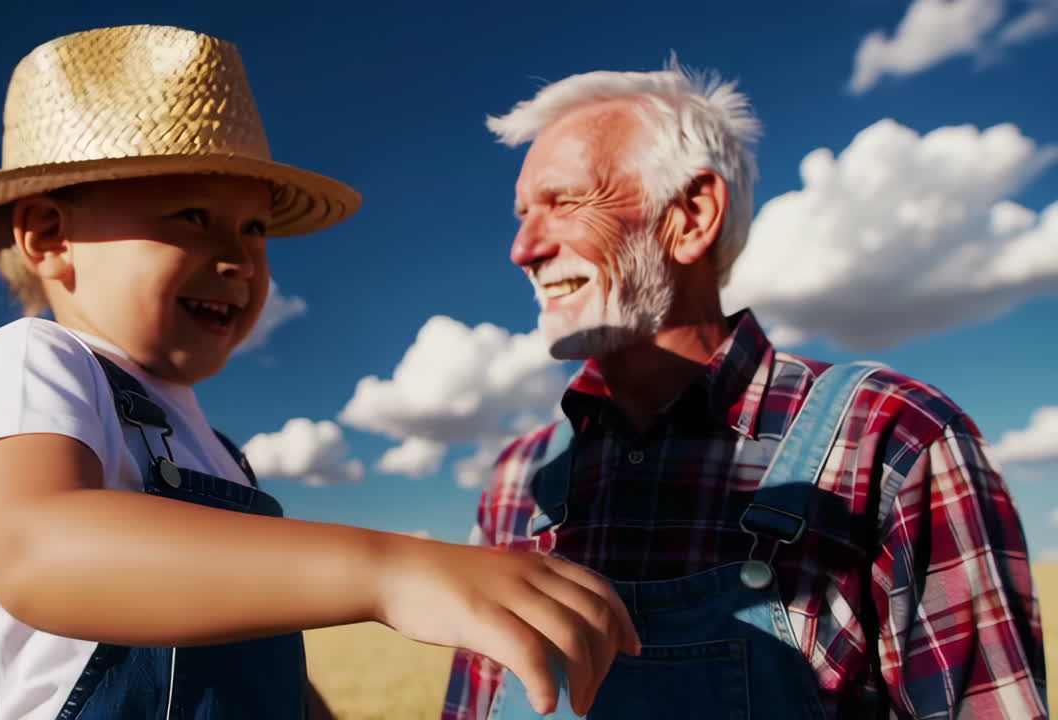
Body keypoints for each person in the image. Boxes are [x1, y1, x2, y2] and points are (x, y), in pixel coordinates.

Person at [0, 25, 638, 720]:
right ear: (48, 236)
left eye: (254, 228)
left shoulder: (219, 453)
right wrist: (390, 570)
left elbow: (251, 655)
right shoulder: (37, 361)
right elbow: (40, 552)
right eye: (192, 215)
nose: (237, 256)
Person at [442, 61, 1046, 719]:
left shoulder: (894, 437)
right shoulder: (515, 482)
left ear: (692, 215)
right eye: (524, 213)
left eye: (564, 202)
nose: (522, 248)